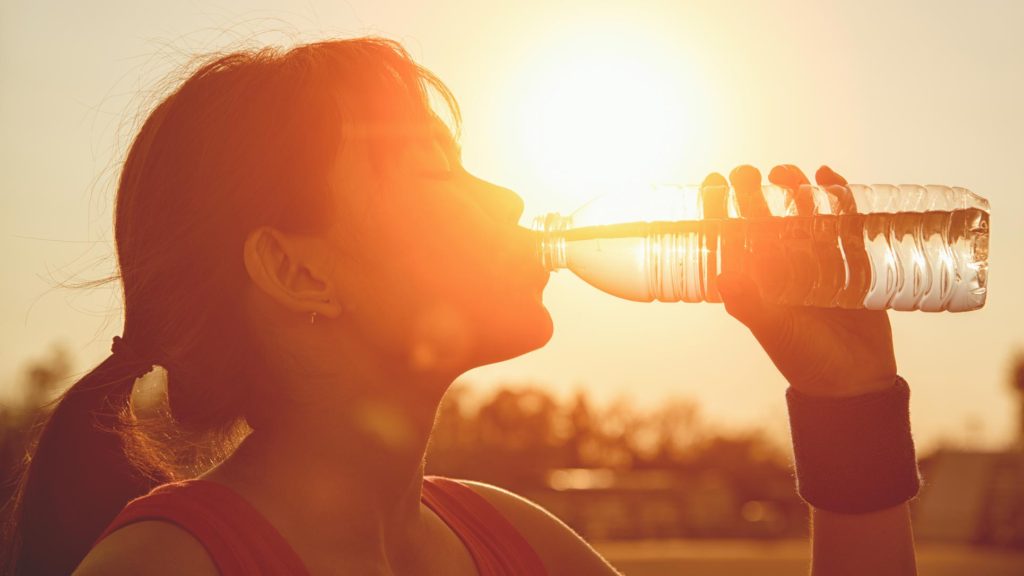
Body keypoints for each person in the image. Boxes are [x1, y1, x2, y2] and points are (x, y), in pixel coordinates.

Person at [1, 37, 919, 575]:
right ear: (297, 269)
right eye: (434, 168)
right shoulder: (168, 571)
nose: (510, 202)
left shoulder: (515, 543)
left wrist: (848, 404)